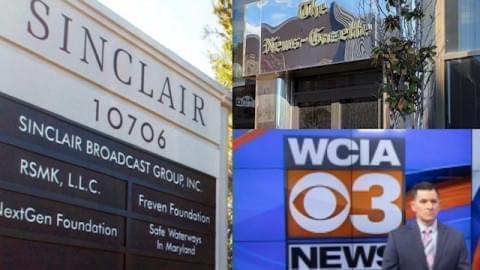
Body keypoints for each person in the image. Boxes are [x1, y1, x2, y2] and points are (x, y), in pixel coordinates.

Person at [382, 181, 469, 270]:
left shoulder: (456, 237)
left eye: (433, 201)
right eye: (423, 201)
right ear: (413, 206)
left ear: (439, 205)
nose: (430, 206)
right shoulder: (397, 237)